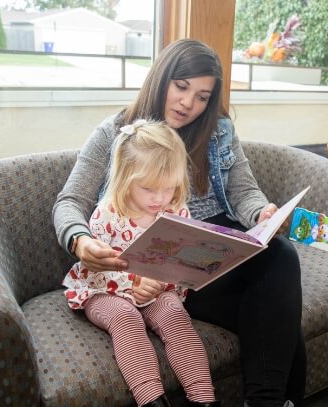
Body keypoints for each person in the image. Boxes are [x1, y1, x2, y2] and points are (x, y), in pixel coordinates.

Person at [53, 39, 306, 407]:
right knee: (280, 324)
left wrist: (260, 213)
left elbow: (244, 191)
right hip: (161, 264)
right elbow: (69, 202)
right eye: (182, 87)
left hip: (215, 251)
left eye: (203, 96)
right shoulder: (115, 133)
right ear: (161, 79)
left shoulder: (218, 131)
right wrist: (80, 241)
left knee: (281, 254)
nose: (190, 103)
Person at [62, 119, 219, 407]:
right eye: (149, 189)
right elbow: (97, 270)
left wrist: (161, 283)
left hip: (157, 291)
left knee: (174, 312)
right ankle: (151, 400)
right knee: (125, 316)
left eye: (169, 188)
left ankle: (204, 399)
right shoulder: (107, 215)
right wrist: (134, 283)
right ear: (126, 178)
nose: (160, 198)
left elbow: (182, 264)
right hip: (104, 290)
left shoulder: (176, 212)